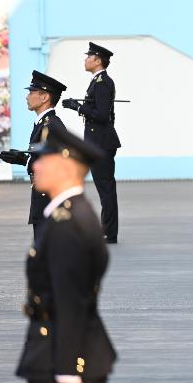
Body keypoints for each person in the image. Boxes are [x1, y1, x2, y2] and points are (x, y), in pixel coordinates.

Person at [16, 122, 116, 383]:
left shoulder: (66, 224)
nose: (35, 166)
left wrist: (67, 371)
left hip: (62, 355)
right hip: (72, 350)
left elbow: (70, 301)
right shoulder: (70, 215)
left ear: (66, 165)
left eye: (42, 159)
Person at [62, 42, 121, 244]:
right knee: (104, 188)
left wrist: (77, 107)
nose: (85, 60)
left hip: (102, 143)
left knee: (105, 189)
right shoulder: (97, 81)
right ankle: (107, 230)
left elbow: (102, 115)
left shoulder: (102, 82)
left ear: (97, 60)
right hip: (98, 142)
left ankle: (109, 233)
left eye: (88, 57)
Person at [0, 70, 67, 239]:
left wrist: (26, 161)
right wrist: (25, 160)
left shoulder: (51, 125)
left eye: (31, 92)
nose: (27, 96)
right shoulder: (42, 123)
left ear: (45, 97)